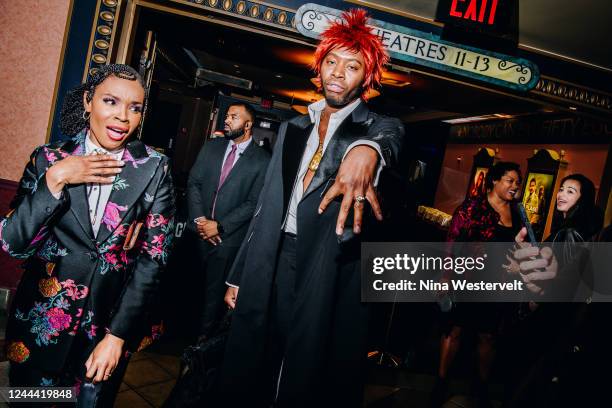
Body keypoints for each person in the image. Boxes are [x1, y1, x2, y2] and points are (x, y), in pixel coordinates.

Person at [216, 9, 404, 406]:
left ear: (366, 79)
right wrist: (237, 274)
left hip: (328, 262)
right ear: (319, 68)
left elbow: (392, 134)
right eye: (331, 62)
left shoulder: (374, 129)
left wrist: (368, 149)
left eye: (352, 66)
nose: (338, 73)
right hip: (274, 254)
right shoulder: (293, 128)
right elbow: (265, 208)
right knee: (256, 353)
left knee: (309, 364)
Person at [0, 64, 175, 406]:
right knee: (27, 401)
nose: (123, 117)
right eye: (111, 101)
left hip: (105, 331)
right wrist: (57, 179)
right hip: (40, 322)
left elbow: (154, 260)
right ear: (88, 102)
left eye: (134, 108)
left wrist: (118, 336)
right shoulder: (48, 158)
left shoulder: (154, 167)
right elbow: (14, 244)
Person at [504, 174, 603, 407]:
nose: (561, 194)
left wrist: (534, 303)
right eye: (561, 189)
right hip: (551, 318)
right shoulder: (569, 228)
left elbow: (562, 282)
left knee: (528, 382)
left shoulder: (570, 232)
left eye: (571, 191)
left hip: (547, 319)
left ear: (583, 199)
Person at [433, 161, 522, 407]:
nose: (515, 186)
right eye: (510, 180)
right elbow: (452, 242)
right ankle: (441, 383)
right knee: (454, 331)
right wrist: (445, 277)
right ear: (494, 180)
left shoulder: (517, 212)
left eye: (517, 182)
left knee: (488, 335)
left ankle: (481, 387)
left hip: (497, 283)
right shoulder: (472, 207)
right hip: (466, 278)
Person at [186, 102, 270, 336]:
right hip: (197, 234)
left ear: (248, 125)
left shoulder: (262, 160)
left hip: (228, 241)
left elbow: (254, 203)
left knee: (213, 302)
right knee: (188, 292)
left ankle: (201, 350)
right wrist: (200, 221)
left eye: (234, 117)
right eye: (227, 115)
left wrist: (220, 226)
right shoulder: (212, 147)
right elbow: (194, 183)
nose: (227, 120)